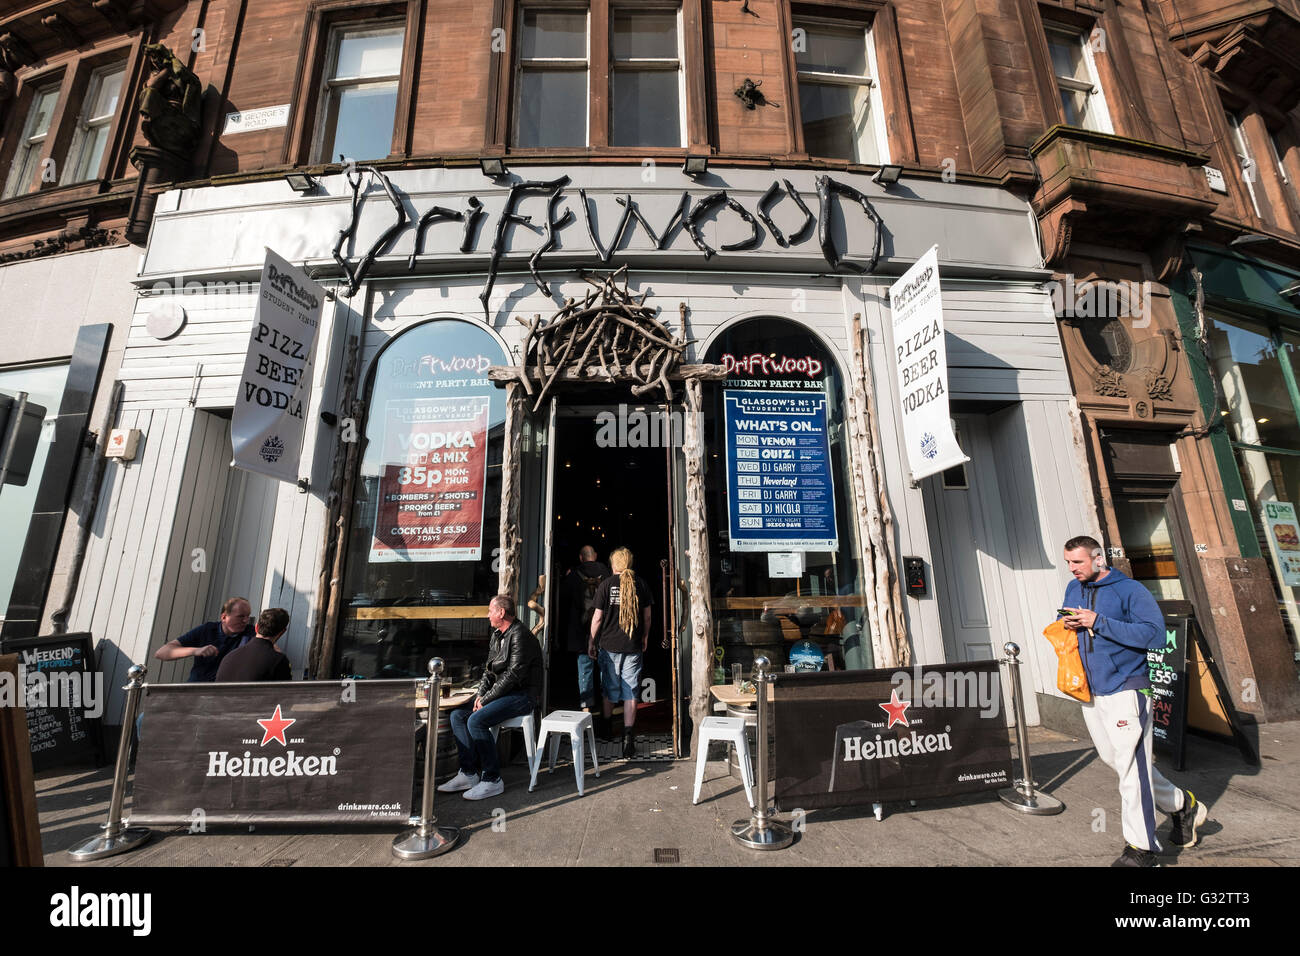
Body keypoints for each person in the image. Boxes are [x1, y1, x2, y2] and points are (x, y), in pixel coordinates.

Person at [1060, 535, 1210, 867]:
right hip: (1090, 690)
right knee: (1119, 762)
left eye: (1078, 562)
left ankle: (1141, 849)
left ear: (1098, 559)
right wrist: (1068, 623)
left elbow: (1155, 634)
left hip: (1128, 688)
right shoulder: (1074, 588)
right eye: (1068, 562)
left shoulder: (1131, 590)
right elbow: (1074, 627)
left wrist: (1098, 622)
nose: (1072, 569)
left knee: (1131, 771)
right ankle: (1182, 806)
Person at [438, 594, 543, 800]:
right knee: (457, 716)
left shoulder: (521, 635)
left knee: (476, 720)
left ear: (501, 612)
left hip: (522, 696)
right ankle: (468, 773)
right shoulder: (498, 635)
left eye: (490, 611)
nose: (487, 615)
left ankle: (492, 779)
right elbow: (488, 671)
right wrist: (480, 694)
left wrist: (486, 700)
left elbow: (514, 676)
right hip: (502, 693)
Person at [589, 547, 653, 759]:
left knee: (609, 688)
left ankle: (606, 731)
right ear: (630, 563)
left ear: (614, 564)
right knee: (631, 692)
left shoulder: (606, 585)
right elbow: (647, 617)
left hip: (609, 646)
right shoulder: (641, 584)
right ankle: (628, 740)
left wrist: (592, 641)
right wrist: (644, 637)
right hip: (632, 646)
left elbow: (597, 618)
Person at [154, 597, 255, 682]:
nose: (246, 621)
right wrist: (196, 650)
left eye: (248, 616)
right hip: (197, 692)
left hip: (227, 695)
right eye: (240, 616)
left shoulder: (252, 633)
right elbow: (161, 652)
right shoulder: (207, 630)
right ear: (224, 617)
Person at [560, 545, 610, 715]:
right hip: (604, 630)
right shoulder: (607, 572)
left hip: (580, 630)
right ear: (595, 555)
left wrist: (566, 579)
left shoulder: (573, 574)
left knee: (585, 670)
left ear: (581, 558)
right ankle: (606, 711)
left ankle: (586, 710)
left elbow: (563, 598)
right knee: (606, 671)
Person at [215, 608, 292, 682]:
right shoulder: (278, 661)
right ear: (282, 632)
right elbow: (285, 693)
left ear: (256, 627)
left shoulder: (229, 656)